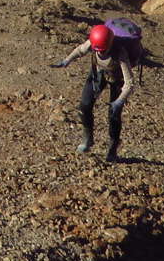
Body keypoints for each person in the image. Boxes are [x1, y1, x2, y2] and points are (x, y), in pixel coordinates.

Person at [53, 19, 143, 162]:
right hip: (98, 74)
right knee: (85, 105)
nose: (100, 52)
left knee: (114, 115)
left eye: (103, 50)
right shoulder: (95, 42)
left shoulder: (120, 53)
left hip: (117, 78)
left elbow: (129, 82)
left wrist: (119, 101)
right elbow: (81, 50)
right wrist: (66, 61)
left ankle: (112, 150)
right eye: (97, 50)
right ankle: (87, 139)